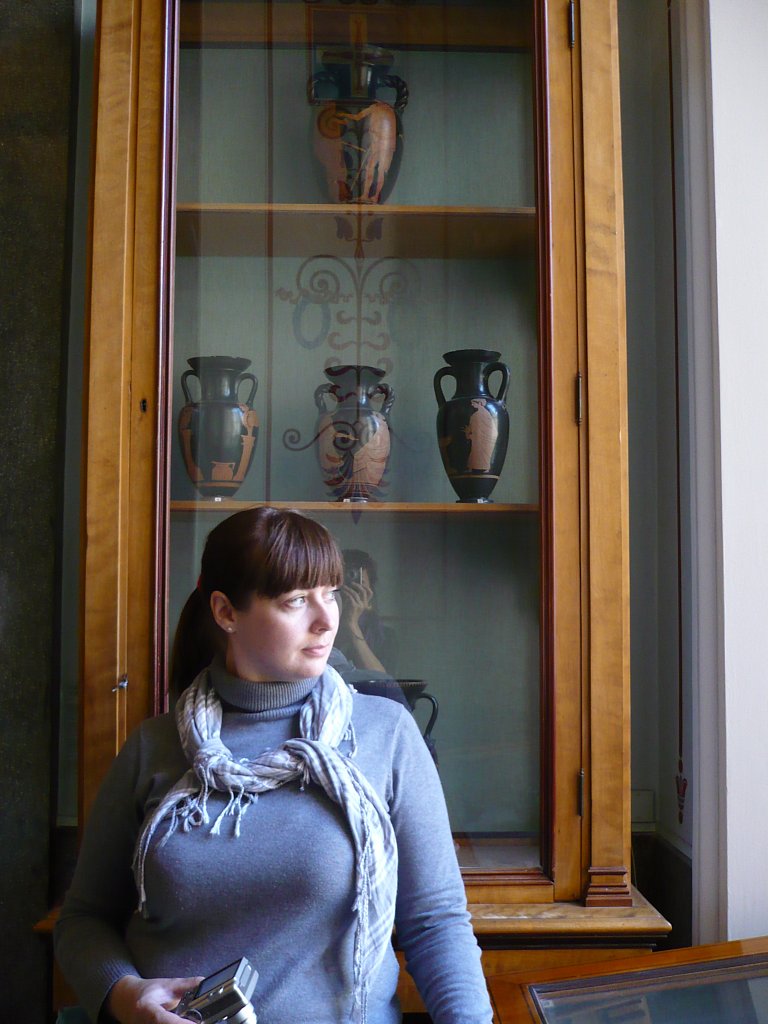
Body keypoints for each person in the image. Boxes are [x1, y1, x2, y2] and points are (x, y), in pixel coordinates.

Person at [54, 507, 492, 1024]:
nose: (327, 620)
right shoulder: (155, 746)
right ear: (226, 612)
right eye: (296, 600)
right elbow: (84, 919)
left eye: (330, 593)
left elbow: (436, 923)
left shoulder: (386, 734)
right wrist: (125, 995)